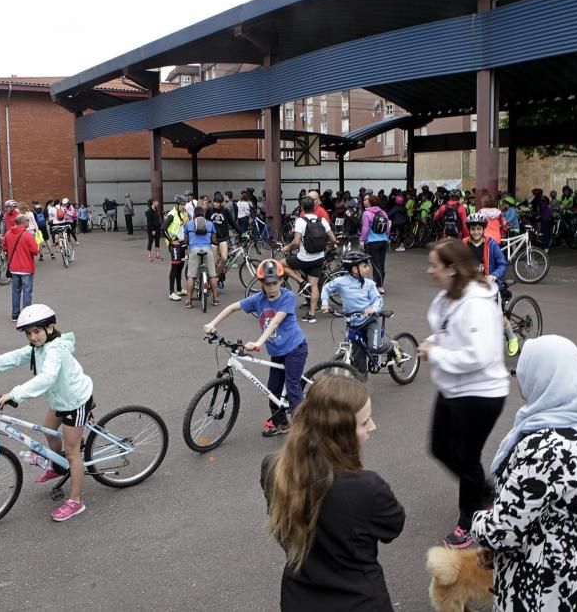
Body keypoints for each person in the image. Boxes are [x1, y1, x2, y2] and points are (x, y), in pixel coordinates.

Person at [472, 335, 577, 611]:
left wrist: (478, 521)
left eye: (523, 371)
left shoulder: (543, 449)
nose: (520, 380)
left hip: (544, 585)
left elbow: (504, 531)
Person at [260, 376, 404, 611]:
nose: (373, 426)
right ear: (340, 432)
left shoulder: (274, 469)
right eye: (365, 421)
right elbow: (393, 527)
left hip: (298, 598)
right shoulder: (367, 488)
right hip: (358, 601)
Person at [418, 239, 509, 548]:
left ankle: (469, 520)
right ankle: (485, 491)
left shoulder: (477, 304)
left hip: (481, 394)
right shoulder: (450, 297)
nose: (430, 271)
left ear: (453, 269)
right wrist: (434, 340)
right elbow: (448, 331)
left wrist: (436, 354)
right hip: (453, 388)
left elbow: (479, 356)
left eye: (435, 266)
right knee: (440, 448)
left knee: (466, 457)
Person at [0, 305, 94, 522]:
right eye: (28, 333)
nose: (32, 337)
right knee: (49, 430)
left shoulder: (55, 350)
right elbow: (15, 357)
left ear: (50, 328)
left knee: (72, 453)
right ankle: (55, 465)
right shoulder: (39, 347)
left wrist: (14, 395)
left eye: (36, 332)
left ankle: (75, 501)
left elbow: (46, 379)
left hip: (75, 401)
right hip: (60, 399)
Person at [205, 259, 308, 437]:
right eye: (268, 284)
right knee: (273, 390)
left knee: (292, 387)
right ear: (261, 283)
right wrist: (212, 323)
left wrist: (259, 342)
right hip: (277, 352)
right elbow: (232, 307)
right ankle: (281, 424)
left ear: (282, 280)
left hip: (294, 349)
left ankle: (306, 432)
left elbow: (275, 321)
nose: (272, 287)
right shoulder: (258, 299)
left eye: (275, 282)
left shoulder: (288, 297)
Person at [319, 250, 390, 375]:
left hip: (369, 321)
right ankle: (360, 386)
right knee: (358, 362)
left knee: (375, 347)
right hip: (352, 323)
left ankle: (392, 347)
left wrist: (373, 309)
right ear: (354, 269)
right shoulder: (341, 281)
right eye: (365, 266)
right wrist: (325, 303)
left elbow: (378, 299)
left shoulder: (369, 284)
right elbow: (326, 288)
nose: (368, 269)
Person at [463, 213, 519, 357]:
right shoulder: (464, 244)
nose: (476, 232)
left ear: (483, 229)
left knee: (498, 318)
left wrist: (494, 276)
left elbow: (502, 263)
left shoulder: (491, 244)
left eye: (479, 229)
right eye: (473, 229)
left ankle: (512, 338)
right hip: (471, 288)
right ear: (469, 230)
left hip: (490, 288)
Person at [282, 197, 336, 324]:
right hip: (318, 258)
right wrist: (329, 245)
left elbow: (295, 242)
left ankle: (301, 282)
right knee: (314, 285)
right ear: (314, 206)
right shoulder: (322, 220)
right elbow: (333, 239)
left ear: (302, 207)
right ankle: (312, 314)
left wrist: (287, 247)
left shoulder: (301, 221)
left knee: (280, 264)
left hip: (303, 258)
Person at [183, 207, 220, 308]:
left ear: (194, 215)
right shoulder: (210, 224)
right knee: (212, 275)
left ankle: (188, 300)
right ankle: (215, 299)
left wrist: (187, 243)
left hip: (194, 251)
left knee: (191, 276)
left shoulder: (189, 224)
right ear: (204, 214)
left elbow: (185, 240)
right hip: (207, 250)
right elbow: (214, 239)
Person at [4, 214, 39, 322]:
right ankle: (26, 315)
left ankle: (15, 314)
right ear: (23, 222)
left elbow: (4, 247)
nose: (29, 222)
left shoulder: (8, 233)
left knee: (15, 291)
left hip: (14, 268)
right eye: (28, 220)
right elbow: (35, 251)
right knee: (27, 291)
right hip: (26, 268)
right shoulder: (27, 235)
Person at [360, 194, 391, 293]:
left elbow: (365, 229)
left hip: (372, 242)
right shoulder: (383, 212)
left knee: (375, 264)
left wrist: (362, 241)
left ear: (370, 202)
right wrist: (387, 237)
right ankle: (379, 284)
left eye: (366, 200)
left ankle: (379, 286)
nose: (364, 201)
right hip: (383, 241)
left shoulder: (366, 214)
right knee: (381, 264)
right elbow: (387, 228)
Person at [163, 196, 189, 301]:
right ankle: (171, 292)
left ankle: (179, 289)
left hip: (181, 243)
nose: (183, 207)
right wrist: (170, 240)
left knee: (180, 266)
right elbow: (163, 229)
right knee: (175, 267)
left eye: (184, 205)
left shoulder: (181, 214)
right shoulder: (172, 215)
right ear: (177, 205)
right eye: (182, 205)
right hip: (174, 245)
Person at [209, 193, 236, 286]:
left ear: (221, 203)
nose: (216, 204)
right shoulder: (209, 210)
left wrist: (242, 233)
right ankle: (212, 281)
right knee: (214, 261)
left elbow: (233, 223)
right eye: (215, 202)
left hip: (223, 238)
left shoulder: (225, 211)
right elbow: (206, 223)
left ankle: (217, 276)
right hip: (213, 239)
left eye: (218, 202)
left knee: (224, 258)